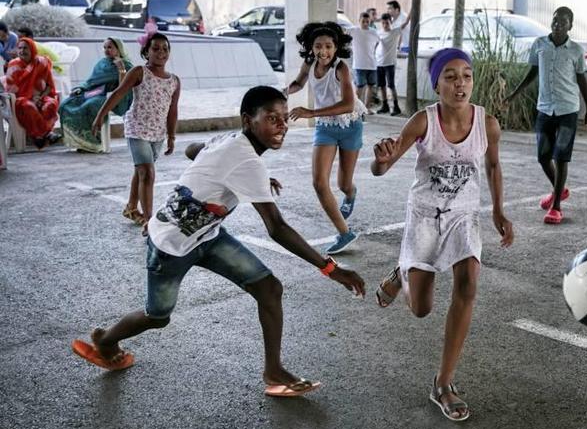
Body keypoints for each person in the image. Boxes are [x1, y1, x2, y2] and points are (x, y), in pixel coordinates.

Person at [71, 86, 367, 398]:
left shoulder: (231, 142)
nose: (282, 125)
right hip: (171, 245)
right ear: (248, 121)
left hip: (208, 236)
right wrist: (330, 269)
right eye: (271, 118)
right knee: (157, 317)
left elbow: (194, 150)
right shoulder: (246, 160)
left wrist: (243, 176)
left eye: (284, 118)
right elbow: (277, 228)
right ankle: (105, 341)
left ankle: (273, 370)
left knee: (269, 289)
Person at [372, 48, 514, 421]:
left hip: (463, 217)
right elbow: (381, 169)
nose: (460, 83)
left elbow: (494, 165)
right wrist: (381, 158)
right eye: (450, 76)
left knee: (467, 285)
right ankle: (401, 272)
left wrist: (499, 210)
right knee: (421, 309)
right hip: (424, 217)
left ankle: (444, 382)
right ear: (436, 84)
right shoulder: (423, 122)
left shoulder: (488, 123)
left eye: (466, 75)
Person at [505, 6, 587, 225]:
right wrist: (514, 95)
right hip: (545, 108)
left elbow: (581, 78)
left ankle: (556, 207)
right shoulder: (540, 45)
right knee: (543, 156)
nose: (557, 25)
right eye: (555, 21)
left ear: (570, 26)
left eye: (563, 22)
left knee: (561, 157)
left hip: (567, 109)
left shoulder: (576, 51)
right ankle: (559, 190)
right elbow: (532, 72)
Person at [286, 21, 368, 254]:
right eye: (318, 46)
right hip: (326, 128)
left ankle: (350, 193)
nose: (323, 51)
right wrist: (285, 92)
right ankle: (345, 233)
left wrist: (310, 112)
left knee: (343, 184)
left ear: (336, 47)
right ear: (311, 47)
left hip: (350, 124)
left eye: (329, 47)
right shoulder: (310, 63)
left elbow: (348, 104)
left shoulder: (341, 69)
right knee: (319, 183)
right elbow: (299, 82)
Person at [93, 32, 180, 230]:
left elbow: (173, 109)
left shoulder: (174, 80)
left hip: (157, 133)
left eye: (165, 49)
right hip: (137, 128)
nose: (161, 53)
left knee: (141, 170)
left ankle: (132, 207)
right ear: (146, 52)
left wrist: (172, 135)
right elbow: (118, 94)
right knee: (147, 173)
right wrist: (100, 116)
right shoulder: (139, 72)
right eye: (155, 48)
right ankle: (150, 220)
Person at [59, 37, 133, 153]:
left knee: (91, 105)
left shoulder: (127, 65)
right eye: (104, 47)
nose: (106, 50)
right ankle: (81, 142)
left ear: (118, 49)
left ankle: (93, 143)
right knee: (66, 103)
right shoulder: (102, 63)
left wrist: (121, 69)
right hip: (95, 92)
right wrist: (80, 88)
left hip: (113, 96)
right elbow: (91, 81)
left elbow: (123, 87)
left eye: (110, 47)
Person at [2, 37, 59, 149]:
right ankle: (46, 134)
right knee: (28, 105)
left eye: (25, 48)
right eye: (20, 48)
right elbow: (11, 90)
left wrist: (40, 97)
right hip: (21, 99)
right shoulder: (14, 65)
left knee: (50, 104)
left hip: (41, 96)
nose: (22, 51)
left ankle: (38, 137)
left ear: (32, 49)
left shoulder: (41, 62)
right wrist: (31, 98)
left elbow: (49, 85)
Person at [376, 12, 410, 116]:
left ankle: (396, 107)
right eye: (383, 23)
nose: (385, 25)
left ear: (391, 22)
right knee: (382, 86)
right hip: (379, 63)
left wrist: (411, 12)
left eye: (387, 23)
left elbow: (406, 23)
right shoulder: (379, 32)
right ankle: (385, 105)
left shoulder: (395, 32)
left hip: (389, 63)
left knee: (391, 85)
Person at [348, 12, 380, 113]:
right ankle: (356, 108)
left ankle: (366, 108)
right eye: (363, 21)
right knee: (360, 87)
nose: (365, 24)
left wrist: (373, 51)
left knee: (370, 86)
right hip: (359, 64)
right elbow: (343, 35)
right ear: (359, 21)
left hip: (372, 64)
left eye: (367, 22)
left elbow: (378, 43)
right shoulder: (353, 30)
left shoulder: (374, 32)